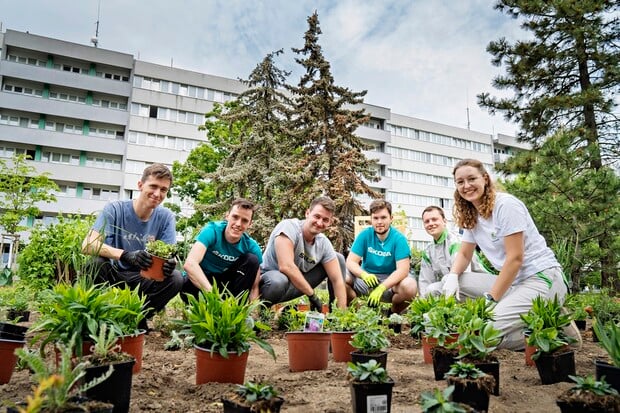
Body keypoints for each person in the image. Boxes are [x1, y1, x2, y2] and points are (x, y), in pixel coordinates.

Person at [443, 158, 576, 350]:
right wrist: (453, 275)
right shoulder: (472, 213)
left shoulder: (505, 205)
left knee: (486, 334)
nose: (467, 186)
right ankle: (533, 313)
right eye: (460, 182)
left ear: (485, 179)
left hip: (541, 277)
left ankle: (555, 331)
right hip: (514, 283)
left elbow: (515, 259)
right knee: (459, 283)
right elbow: (464, 255)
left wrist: (492, 299)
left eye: (472, 179)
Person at [82, 163, 184, 328]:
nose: (158, 194)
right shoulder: (115, 209)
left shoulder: (166, 217)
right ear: (140, 185)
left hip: (143, 277)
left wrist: (169, 264)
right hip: (114, 274)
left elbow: (167, 254)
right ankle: (101, 315)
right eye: (153, 186)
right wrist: (125, 255)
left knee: (176, 278)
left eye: (164, 190)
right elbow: (88, 245)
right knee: (95, 264)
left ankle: (137, 317)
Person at [259, 196, 347, 311]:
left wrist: (343, 315)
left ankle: (335, 315)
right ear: (307, 213)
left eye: (325, 220)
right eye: (317, 216)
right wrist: (312, 296)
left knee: (338, 259)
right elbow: (286, 267)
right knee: (279, 280)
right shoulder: (289, 227)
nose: (320, 223)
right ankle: (260, 311)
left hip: (292, 287)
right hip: (269, 285)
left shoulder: (323, 243)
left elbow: (338, 281)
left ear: (330, 222)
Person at [181, 198, 262, 300]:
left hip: (224, 285)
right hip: (199, 283)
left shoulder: (251, 246)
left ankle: (234, 309)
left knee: (252, 260)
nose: (238, 224)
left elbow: (254, 287)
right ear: (227, 216)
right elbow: (190, 264)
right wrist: (214, 296)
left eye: (244, 220)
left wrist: (253, 312)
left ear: (250, 224)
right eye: (235, 217)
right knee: (187, 282)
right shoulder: (212, 231)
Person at [345, 199, 417, 314]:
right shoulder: (364, 235)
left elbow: (403, 270)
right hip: (367, 281)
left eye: (383, 217)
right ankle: (359, 314)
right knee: (341, 277)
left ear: (391, 218)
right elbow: (351, 262)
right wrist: (364, 275)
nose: (379, 222)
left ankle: (392, 314)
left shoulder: (399, 239)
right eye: (376, 218)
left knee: (410, 286)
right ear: (371, 219)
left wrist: (382, 287)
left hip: (390, 284)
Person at [418, 205, 495, 297]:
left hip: (484, 285)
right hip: (459, 285)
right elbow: (425, 282)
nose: (430, 223)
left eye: (434, 219)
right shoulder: (428, 251)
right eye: (427, 221)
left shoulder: (456, 241)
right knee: (431, 290)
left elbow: (464, 276)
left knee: (448, 280)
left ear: (444, 221)